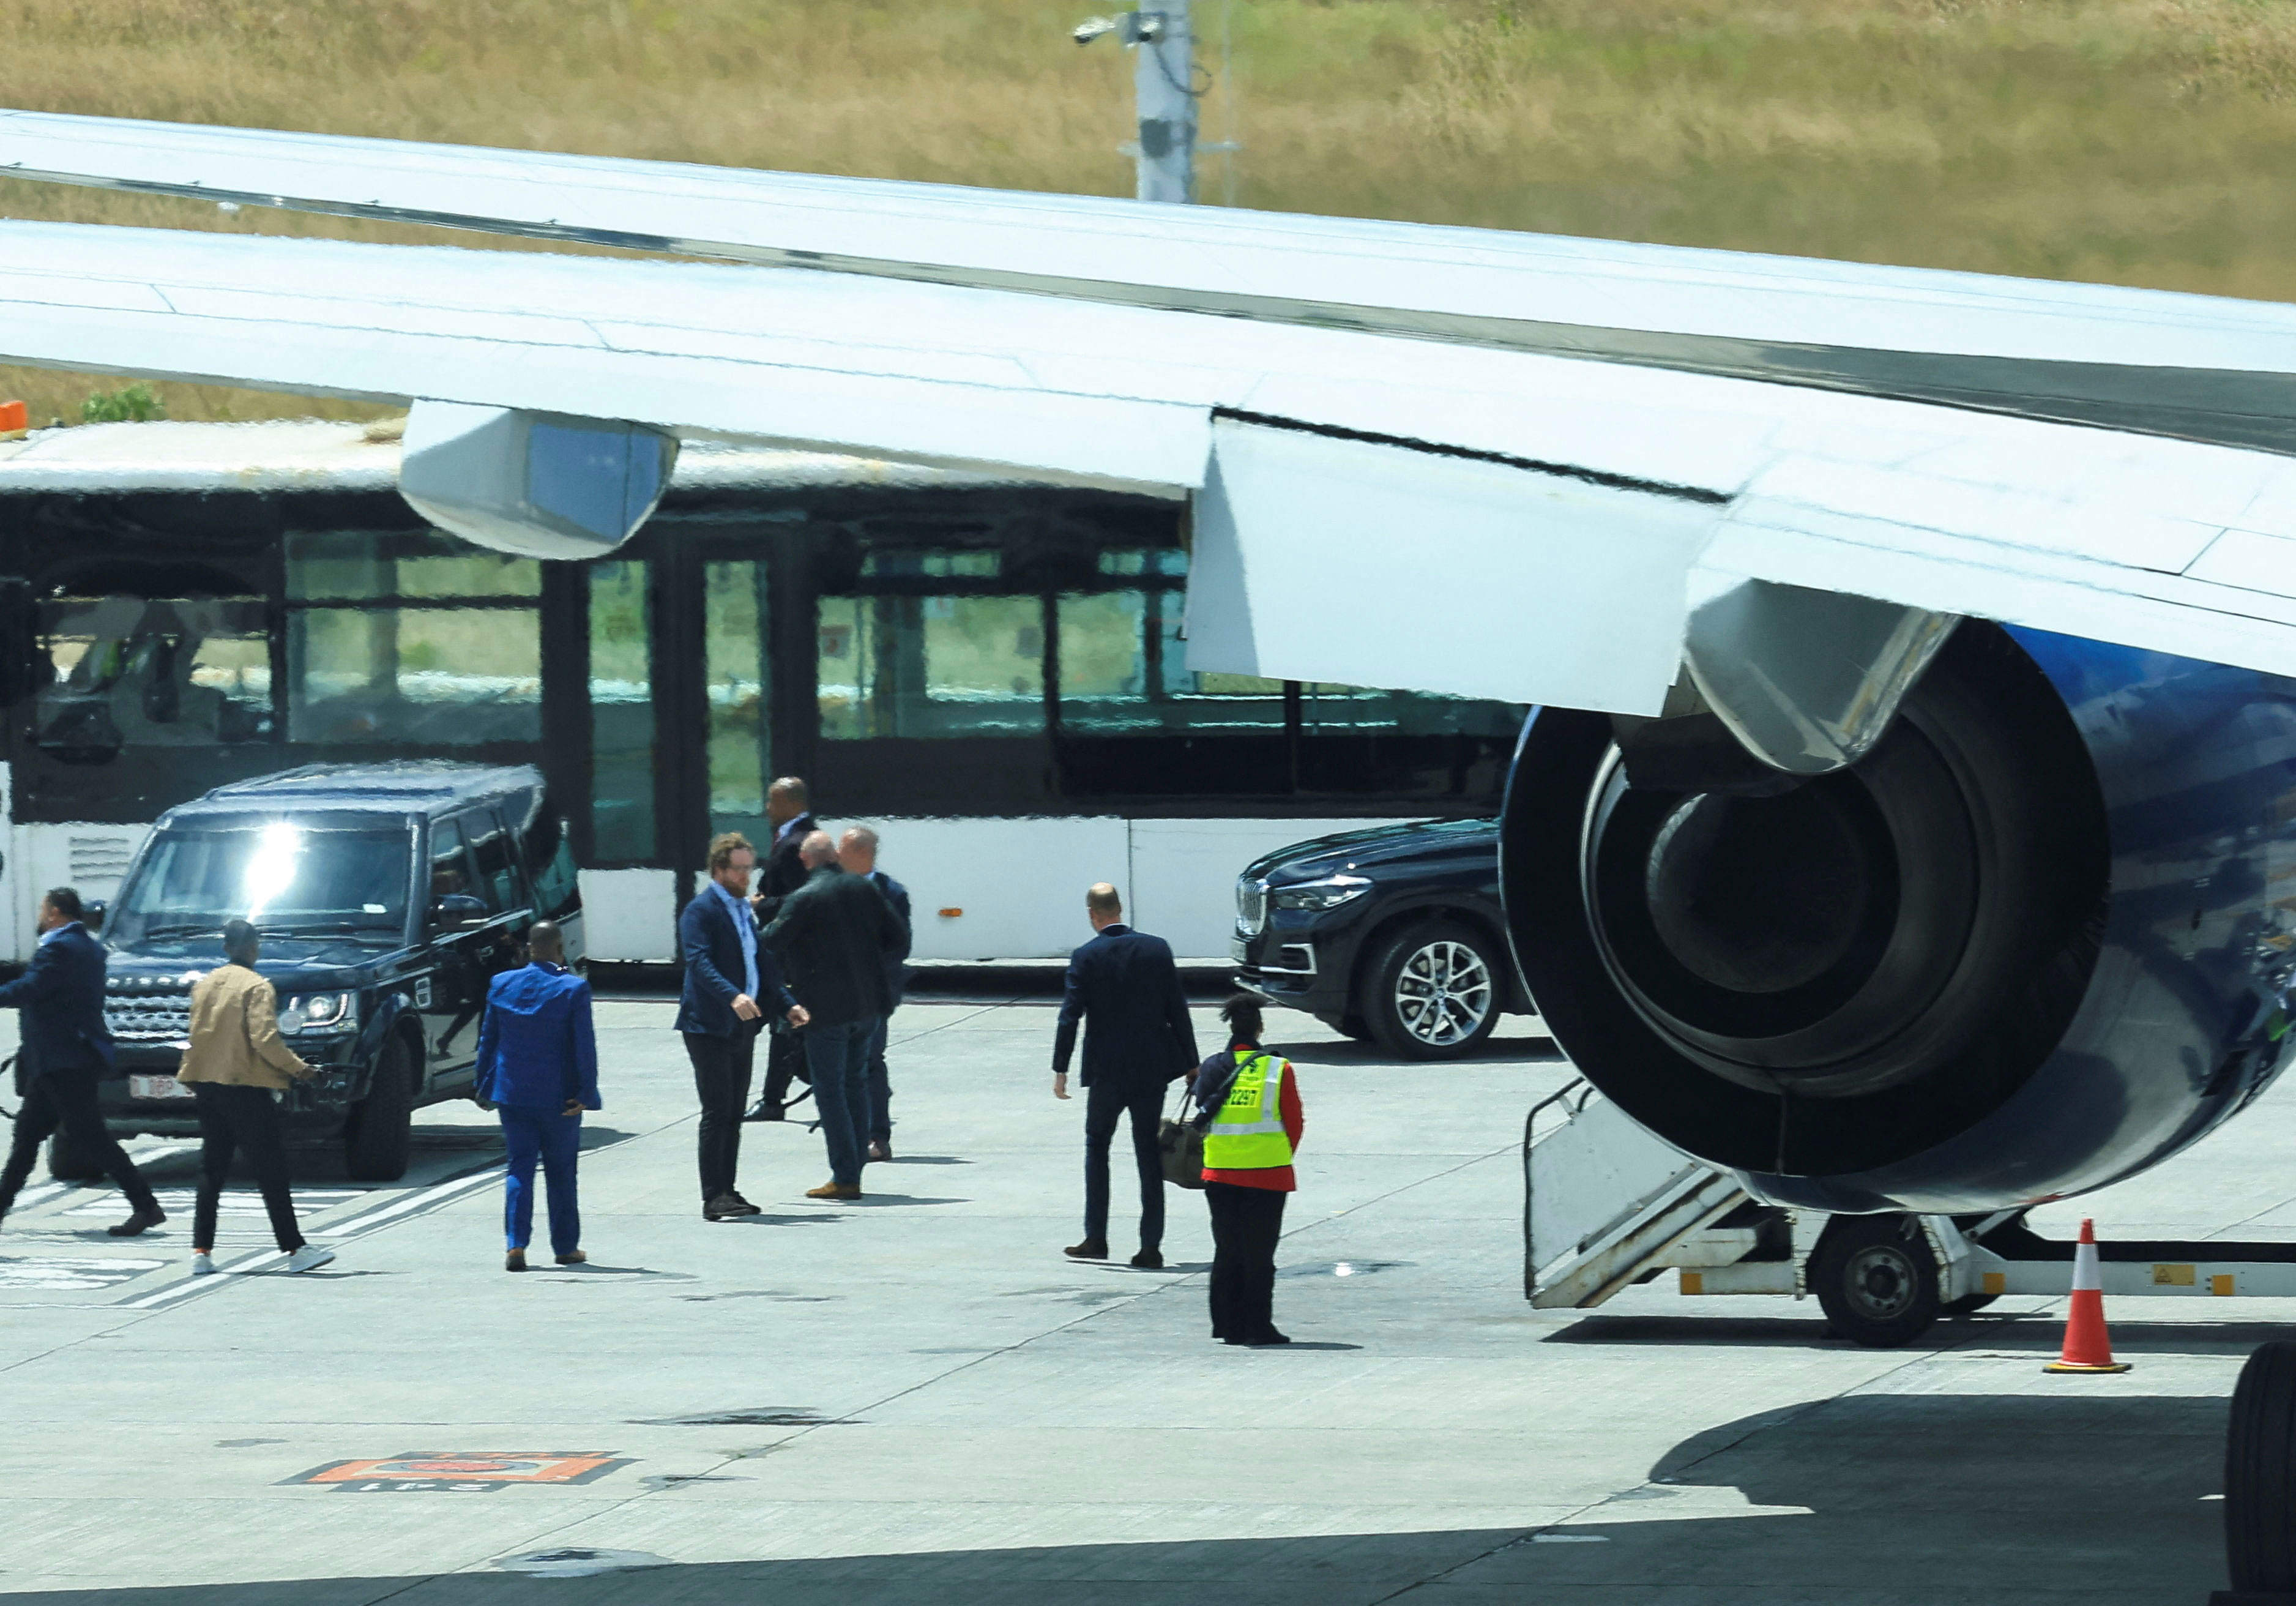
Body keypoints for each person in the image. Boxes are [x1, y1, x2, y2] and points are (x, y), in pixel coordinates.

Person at [0, 887, 163, 1238]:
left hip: (63, 1062)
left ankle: (145, 1205)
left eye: (44, 909)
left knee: (90, 1138)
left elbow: (30, 988)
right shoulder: (89, 947)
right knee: (27, 1138)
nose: (40, 916)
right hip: (62, 1060)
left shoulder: (59, 948)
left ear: (56, 912)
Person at [1051, 883, 1198, 1270]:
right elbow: (1176, 1009)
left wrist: (1060, 1068)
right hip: (1151, 1069)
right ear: (1120, 908)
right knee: (1148, 1152)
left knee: (1097, 1147)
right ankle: (1151, 1246)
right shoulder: (1156, 948)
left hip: (1107, 1072)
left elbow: (1070, 1016)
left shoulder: (1086, 956)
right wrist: (1191, 1061)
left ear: (1091, 914)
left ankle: (1096, 1238)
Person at [176, 919, 333, 1275]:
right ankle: (294, 1250)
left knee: (211, 1167)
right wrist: (301, 1070)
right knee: (270, 1168)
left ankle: (201, 1252)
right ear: (253, 947)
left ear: (226, 948)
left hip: (206, 1084)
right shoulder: (257, 987)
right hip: (244, 1087)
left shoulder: (204, 985)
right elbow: (264, 1040)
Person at [761, 830, 906, 1201]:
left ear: (806, 861)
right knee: (855, 1083)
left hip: (825, 1011)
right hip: (868, 1006)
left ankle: (844, 1176)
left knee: (830, 1090)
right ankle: (854, 1166)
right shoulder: (864, 890)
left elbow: (771, 944)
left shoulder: (805, 897)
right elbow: (898, 939)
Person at [678, 832, 808, 1222]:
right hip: (709, 1025)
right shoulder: (700, 911)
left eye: (750, 867)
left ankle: (728, 1189)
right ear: (719, 870)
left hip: (744, 1026)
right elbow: (699, 962)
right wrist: (732, 996)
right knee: (717, 1110)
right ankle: (712, 1196)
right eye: (739, 868)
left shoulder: (741, 911)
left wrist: (787, 1005)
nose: (747, 875)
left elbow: (762, 967)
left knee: (734, 1111)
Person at [474, 921, 599, 1272]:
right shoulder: (573, 988)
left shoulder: (501, 983)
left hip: (513, 1094)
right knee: (561, 1173)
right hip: (559, 1098)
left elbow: (488, 1041)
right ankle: (565, 1247)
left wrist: (483, 1086)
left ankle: (516, 1246)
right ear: (560, 949)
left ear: (529, 948)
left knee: (519, 1168)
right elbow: (584, 1048)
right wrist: (586, 1093)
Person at [1194, 993, 1305, 1346]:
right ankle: (1258, 1327)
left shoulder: (1211, 1066)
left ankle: (1226, 1325)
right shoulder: (1278, 1068)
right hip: (1268, 1174)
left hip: (1220, 1173)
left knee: (1227, 1250)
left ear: (1231, 1027)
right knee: (1259, 1255)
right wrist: (1278, 1154)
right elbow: (1295, 1122)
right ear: (1259, 1028)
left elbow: (1203, 1110)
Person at [747, 775, 820, 1122]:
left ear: (790, 803)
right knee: (782, 1023)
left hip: (789, 953)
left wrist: (763, 905)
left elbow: (801, 902)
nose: (767, 808)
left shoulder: (796, 844)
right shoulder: (799, 838)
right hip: (787, 952)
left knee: (783, 1023)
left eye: (772, 801)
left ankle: (777, 1097)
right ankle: (777, 1096)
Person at [837, 825, 911, 1162]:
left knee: (870, 1062)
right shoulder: (833, 888)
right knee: (843, 1065)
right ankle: (850, 1133)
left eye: (844, 850)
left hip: (873, 995)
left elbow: (898, 946)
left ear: (861, 854)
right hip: (837, 993)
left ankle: (878, 1136)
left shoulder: (891, 893)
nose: (837, 856)